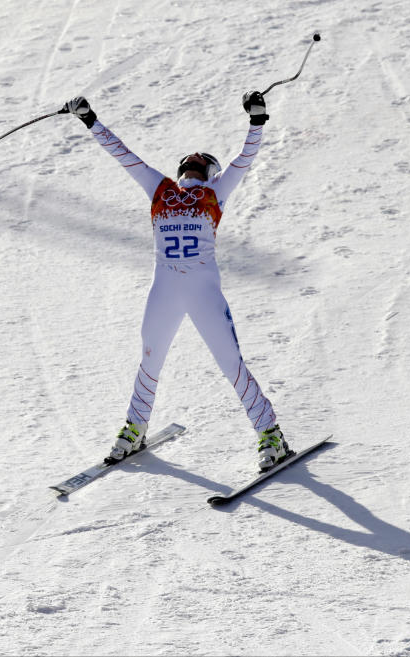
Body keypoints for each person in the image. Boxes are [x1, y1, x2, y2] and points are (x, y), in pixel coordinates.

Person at [64, 91, 289, 472]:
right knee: (151, 357)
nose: (195, 165)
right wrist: (89, 120)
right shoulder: (163, 189)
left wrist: (257, 119)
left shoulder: (212, 192)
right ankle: (135, 427)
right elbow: (124, 155)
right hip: (168, 291)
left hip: (198, 292)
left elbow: (244, 159)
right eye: (193, 162)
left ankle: (271, 434)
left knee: (229, 363)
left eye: (200, 164)